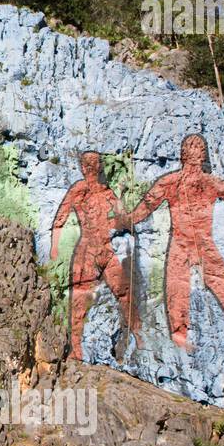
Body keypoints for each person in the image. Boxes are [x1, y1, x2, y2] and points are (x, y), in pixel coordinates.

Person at [116, 134, 224, 376]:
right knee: (178, 297)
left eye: (198, 148)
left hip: (205, 246)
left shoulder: (211, 184)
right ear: (183, 154)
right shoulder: (171, 182)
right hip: (181, 244)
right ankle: (180, 344)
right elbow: (143, 209)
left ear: (203, 155)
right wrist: (123, 220)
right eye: (190, 148)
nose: (194, 152)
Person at [50, 151, 141, 361]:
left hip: (107, 250)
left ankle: (138, 336)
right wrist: (54, 247)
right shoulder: (78, 189)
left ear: (99, 166)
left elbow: (124, 218)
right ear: (82, 167)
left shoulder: (106, 192)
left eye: (95, 163)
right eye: (87, 163)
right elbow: (60, 217)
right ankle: (76, 348)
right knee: (80, 296)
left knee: (124, 291)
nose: (91, 167)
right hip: (86, 250)